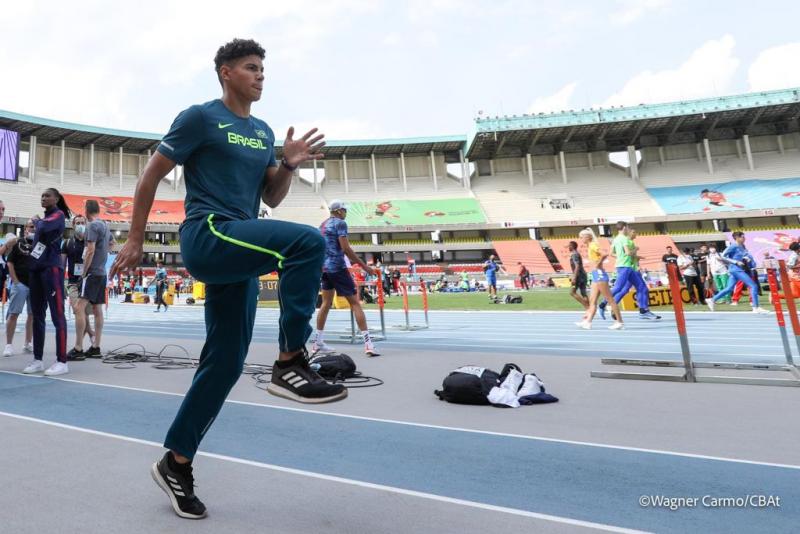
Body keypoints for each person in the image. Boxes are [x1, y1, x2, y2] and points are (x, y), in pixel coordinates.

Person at [110, 38, 345, 520]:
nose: (261, 76)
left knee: (224, 365)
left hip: (239, 245)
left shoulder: (261, 131)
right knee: (307, 242)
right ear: (225, 73)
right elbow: (149, 177)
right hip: (208, 234)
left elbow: (273, 198)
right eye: (251, 68)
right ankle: (291, 359)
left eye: (264, 69)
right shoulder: (199, 117)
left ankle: (176, 463)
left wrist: (289, 165)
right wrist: (134, 239)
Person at [311, 201, 379, 356]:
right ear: (339, 211)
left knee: (326, 303)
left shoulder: (322, 224)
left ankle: (318, 342)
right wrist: (365, 266)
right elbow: (346, 248)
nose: (346, 212)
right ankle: (368, 344)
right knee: (355, 303)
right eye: (345, 210)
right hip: (337, 267)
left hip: (324, 268)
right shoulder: (340, 223)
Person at [23, 188, 71, 376]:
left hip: (51, 270)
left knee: (57, 316)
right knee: (37, 316)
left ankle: (62, 361)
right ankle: (38, 359)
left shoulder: (57, 216)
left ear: (56, 199)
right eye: (42, 196)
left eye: (47, 196)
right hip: (36, 270)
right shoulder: (45, 218)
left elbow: (41, 228)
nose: (43, 198)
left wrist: (36, 221)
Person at [599, 221, 661, 320]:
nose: (629, 230)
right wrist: (635, 250)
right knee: (619, 288)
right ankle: (602, 304)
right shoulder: (624, 239)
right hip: (625, 266)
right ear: (624, 228)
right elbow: (628, 253)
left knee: (641, 287)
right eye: (628, 228)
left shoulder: (615, 239)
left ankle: (643, 311)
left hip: (627, 266)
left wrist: (622, 257)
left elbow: (611, 253)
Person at [73, 199, 109, 358]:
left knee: (79, 307)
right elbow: (112, 244)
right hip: (101, 272)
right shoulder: (105, 225)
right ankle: (96, 346)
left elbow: (90, 250)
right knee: (97, 309)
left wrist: (84, 272)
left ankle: (78, 348)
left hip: (92, 272)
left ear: (86, 209)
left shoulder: (92, 226)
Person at [707, 231, 770, 313]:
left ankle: (712, 300)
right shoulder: (733, 246)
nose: (744, 238)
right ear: (737, 238)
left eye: (744, 237)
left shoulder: (742, 246)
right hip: (736, 269)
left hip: (739, 269)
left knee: (729, 288)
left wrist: (747, 258)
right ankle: (756, 307)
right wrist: (735, 262)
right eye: (742, 237)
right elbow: (722, 256)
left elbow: (745, 255)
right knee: (753, 286)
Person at [63, 214, 96, 361]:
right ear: (73, 225)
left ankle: (80, 346)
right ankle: (89, 337)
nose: (81, 225)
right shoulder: (67, 243)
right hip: (73, 282)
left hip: (87, 282)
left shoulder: (90, 243)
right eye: (78, 223)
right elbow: (61, 264)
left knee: (85, 314)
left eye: (83, 222)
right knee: (78, 310)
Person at [576, 228, 623, 330]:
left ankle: (619, 321)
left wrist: (598, 263)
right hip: (595, 275)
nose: (580, 239)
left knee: (610, 300)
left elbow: (604, 253)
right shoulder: (590, 246)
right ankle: (588, 322)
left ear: (587, 237)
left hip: (599, 274)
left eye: (581, 237)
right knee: (592, 301)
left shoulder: (593, 245)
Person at [4, 219, 34, 357]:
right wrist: (15, 281)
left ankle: (28, 343)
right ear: (25, 228)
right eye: (30, 226)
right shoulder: (18, 242)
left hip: (35, 285)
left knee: (32, 315)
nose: (32, 229)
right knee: (14, 314)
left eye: (35, 227)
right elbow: (9, 263)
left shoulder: (40, 244)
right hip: (20, 284)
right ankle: (9, 345)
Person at [567, 240, 589, 313]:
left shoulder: (574, 254)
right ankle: (589, 310)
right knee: (583, 293)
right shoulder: (577, 254)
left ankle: (587, 307)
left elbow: (577, 266)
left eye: (569, 246)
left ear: (572, 246)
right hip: (583, 275)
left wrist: (574, 277)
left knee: (572, 292)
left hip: (579, 277)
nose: (568, 247)